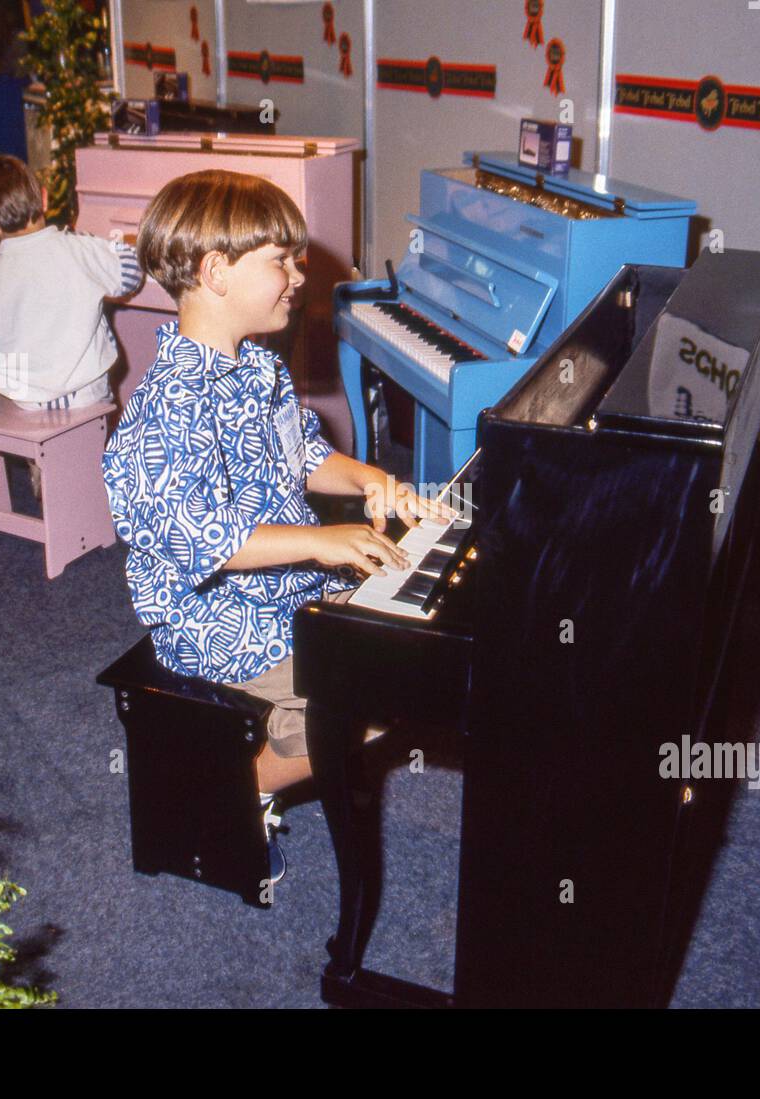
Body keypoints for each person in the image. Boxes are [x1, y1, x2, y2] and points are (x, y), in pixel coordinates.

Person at [102, 170, 452, 881]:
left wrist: (368, 478)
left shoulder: (258, 370)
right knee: (372, 691)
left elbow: (306, 454)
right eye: (282, 260)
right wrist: (325, 543)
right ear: (215, 271)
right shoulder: (166, 410)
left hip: (284, 590)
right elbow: (202, 540)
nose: (298, 276)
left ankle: (278, 745)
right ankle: (242, 789)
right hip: (215, 619)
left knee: (399, 664)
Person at [0, 154, 142, 412]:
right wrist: (124, 244)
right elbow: (129, 277)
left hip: (27, 402)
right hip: (86, 397)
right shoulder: (79, 247)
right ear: (44, 199)